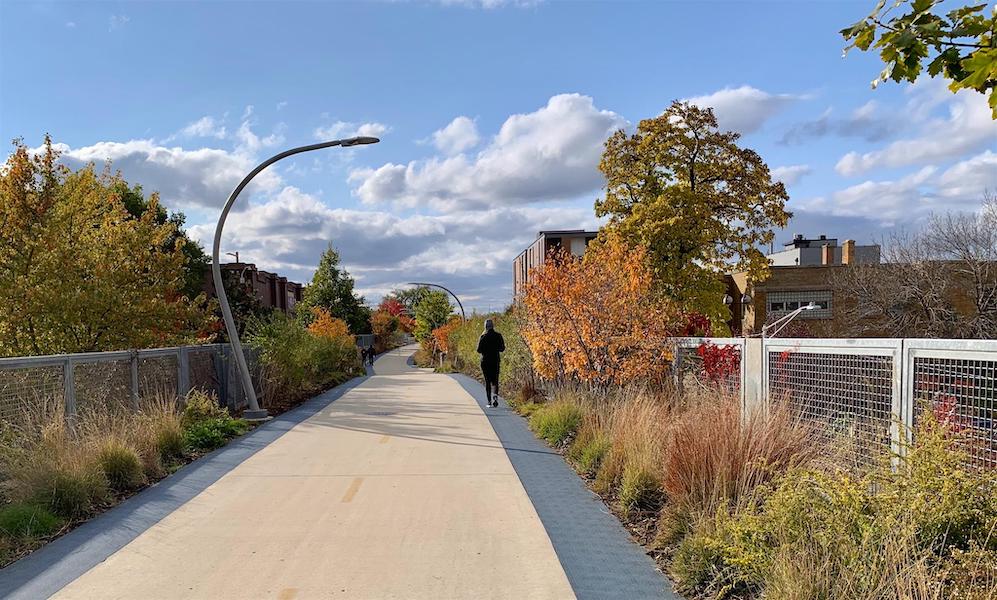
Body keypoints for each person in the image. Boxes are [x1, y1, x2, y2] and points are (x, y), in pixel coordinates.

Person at [476, 319, 505, 407]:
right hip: (495, 360)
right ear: (493, 326)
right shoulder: (498, 336)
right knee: (495, 380)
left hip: (485, 361)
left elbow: (478, 350)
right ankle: (495, 397)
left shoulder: (483, 337)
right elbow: (502, 348)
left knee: (487, 381)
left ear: (485, 326)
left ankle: (489, 401)